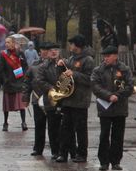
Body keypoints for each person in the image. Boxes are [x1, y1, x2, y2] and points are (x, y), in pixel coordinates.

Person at [91, 46, 135, 170]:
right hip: (105, 107)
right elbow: (95, 86)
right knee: (104, 134)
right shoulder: (98, 70)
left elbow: (130, 86)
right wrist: (108, 96)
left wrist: (117, 95)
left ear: (115, 56)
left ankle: (116, 161)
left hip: (120, 107)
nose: (106, 58)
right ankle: (103, 162)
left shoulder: (124, 69)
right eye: (104, 56)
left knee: (118, 135)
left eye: (108, 56)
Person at [55, 35, 95, 163]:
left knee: (80, 129)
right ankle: (63, 153)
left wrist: (75, 74)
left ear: (77, 45)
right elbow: (62, 77)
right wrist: (60, 66)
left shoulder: (88, 60)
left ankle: (82, 154)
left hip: (80, 100)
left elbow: (90, 79)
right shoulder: (71, 59)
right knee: (65, 128)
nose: (70, 46)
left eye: (71, 44)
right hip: (68, 99)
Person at [31, 43, 63, 158]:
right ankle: (39, 148)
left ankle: (59, 150)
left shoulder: (64, 64)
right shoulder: (37, 65)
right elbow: (31, 80)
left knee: (58, 126)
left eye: (55, 49)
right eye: (50, 50)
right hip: (42, 98)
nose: (52, 52)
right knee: (42, 125)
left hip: (61, 99)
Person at [25, 42, 52, 156]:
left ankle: (56, 149)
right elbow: (27, 82)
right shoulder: (34, 65)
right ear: (40, 52)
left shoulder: (57, 64)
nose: (45, 52)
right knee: (39, 125)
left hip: (52, 99)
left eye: (48, 50)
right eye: (43, 50)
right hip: (37, 98)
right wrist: (25, 97)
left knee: (53, 126)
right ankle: (38, 148)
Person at [0, 36, 29, 131]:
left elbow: (25, 66)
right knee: (6, 105)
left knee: (21, 105)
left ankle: (23, 122)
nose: (6, 44)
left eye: (8, 42)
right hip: (8, 82)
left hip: (19, 81)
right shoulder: (3, 54)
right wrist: (4, 79)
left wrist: (22, 77)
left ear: (13, 43)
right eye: (5, 42)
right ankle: (5, 122)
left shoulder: (20, 53)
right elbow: (1, 69)